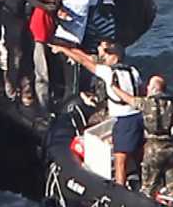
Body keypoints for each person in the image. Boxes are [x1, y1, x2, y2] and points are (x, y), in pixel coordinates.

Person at [50, 41, 144, 187]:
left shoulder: (108, 72)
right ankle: (140, 179)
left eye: (107, 54)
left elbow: (84, 61)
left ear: (115, 57)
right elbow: (141, 91)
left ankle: (119, 189)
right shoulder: (133, 71)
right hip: (137, 116)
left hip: (124, 119)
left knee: (120, 159)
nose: (104, 57)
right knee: (137, 152)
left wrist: (63, 50)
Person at [111, 75, 173, 197]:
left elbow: (129, 99)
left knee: (149, 187)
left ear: (153, 89)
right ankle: (171, 206)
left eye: (149, 86)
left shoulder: (148, 103)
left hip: (153, 149)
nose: (147, 88)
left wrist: (114, 87)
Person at [0, 0, 56, 106]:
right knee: (15, 53)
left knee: (24, 53)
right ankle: (10, 87)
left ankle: (23, 86)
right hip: (11, 17)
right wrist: (45, 6)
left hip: (22, 19)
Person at [30, 0, 67, 113]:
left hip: (49, 36)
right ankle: (43, 108)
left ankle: (50, 102)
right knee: (42, 74)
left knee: (51, 71)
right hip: (39, 36)